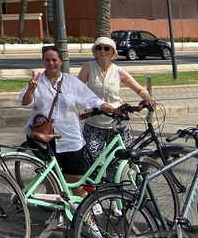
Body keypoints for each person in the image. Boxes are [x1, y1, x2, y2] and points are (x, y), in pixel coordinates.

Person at [21, 45, 122, 195]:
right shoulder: (37, 82)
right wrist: (31, 89)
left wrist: (113, 109)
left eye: (54, 60)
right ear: (43, 62)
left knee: (75, 178)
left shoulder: (71, 82)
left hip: (69, 137)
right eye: (47, 60)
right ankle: (56, 215)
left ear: (61, 61)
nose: (51, 63)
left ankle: (83, 215)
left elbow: (93, 100)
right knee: (51, 175)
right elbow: (26, 103)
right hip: (43, 137)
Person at [78, 36, 155, 162]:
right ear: (95, 52)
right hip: (94, 122)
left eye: (107, 48)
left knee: (116, 163)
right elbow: (76, 90)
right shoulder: (88, 67)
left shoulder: (118, 71)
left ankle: (113, 182)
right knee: (90, 162)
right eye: (99, 48)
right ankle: (96, 182)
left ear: (113, 52)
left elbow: (140, 89)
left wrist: (148, 99)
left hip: (117, 123)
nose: (103, 51)